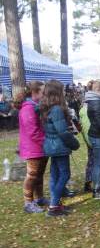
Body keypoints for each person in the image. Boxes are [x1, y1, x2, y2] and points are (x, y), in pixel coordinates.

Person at [40, 80, 76, 217]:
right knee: (64, 174)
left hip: (52, 145)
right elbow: (62, 132)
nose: (65, 92)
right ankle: (54, 206)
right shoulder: (56, 109)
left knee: (55, 175)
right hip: (58, 146)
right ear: (57, 92)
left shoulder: (46, 107)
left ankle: (55, 204)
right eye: (62, 90)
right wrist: (74, 143)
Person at [17, 81, 49, 214]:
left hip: (42, 147)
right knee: (31, 175)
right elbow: (33, 131)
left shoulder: (36, 106)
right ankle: (28, 202)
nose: (44, 94)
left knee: (39, 174)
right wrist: (47, 142)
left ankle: (39, 198)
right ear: (34, 92)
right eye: (42, 91)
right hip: (33, 148)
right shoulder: (28, 108)